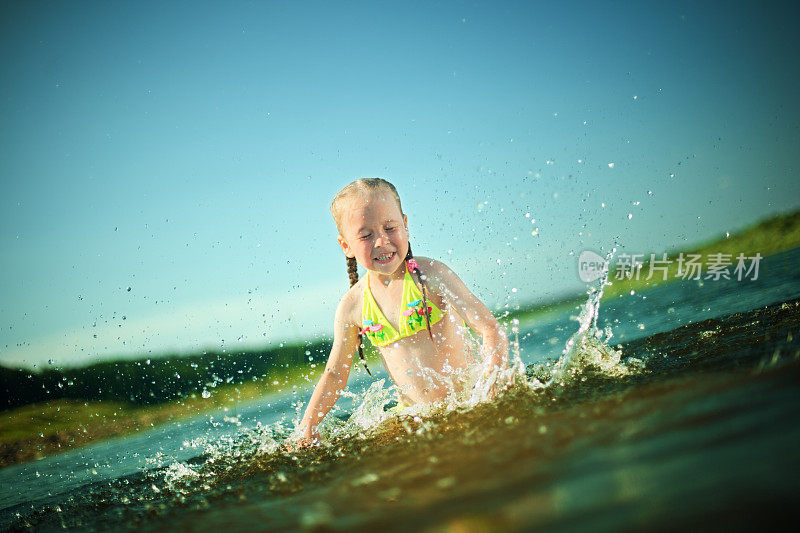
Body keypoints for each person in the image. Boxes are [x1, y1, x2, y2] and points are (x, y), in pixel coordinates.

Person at [296, 178, 509, 447]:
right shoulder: (352, 306)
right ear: (346, 245)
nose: (382, 241)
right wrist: (308, 426)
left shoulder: (431, 276)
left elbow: (490, 330)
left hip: (467, 401)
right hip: (414, 417)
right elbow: (335, 374)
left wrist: (490, 384)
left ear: (405, 225)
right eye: (366, 235)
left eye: (390, 227)